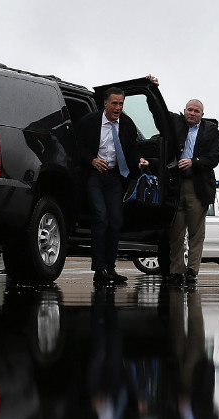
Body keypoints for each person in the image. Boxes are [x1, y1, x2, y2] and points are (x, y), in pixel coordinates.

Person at [74, 88, 149, 285]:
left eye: (121, 104)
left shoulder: (127, 123)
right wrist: (92, 160)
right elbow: (76, 147)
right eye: (114, 104)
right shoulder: (89, 122)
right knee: (100, 218)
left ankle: (110, 268)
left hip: (116, 177)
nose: (118, 108)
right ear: (105, 104)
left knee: (115, 221)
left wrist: (138, 160)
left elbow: (131, 149)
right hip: (94, 176)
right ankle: (99, 269)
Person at [168, 99, 219, 287]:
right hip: (176, 185)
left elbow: (214, 158)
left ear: (202, 115)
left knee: (196, 233)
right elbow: (154, 109)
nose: (192, 113)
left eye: (196, 111)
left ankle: (192, 271)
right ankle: (176, 271)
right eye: (189, 109)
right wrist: (152, 84)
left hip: (198, 186)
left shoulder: (211, 130)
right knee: (175, 232)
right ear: (184, 111)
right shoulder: (176, 123)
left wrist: (194, 161)